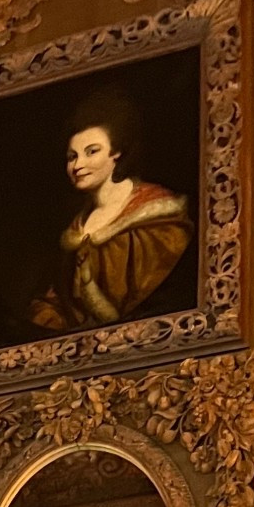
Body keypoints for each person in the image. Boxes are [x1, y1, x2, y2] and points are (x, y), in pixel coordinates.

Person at [31, 92, 193, 336]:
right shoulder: (76, 228)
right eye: (72, 157)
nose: (77, 165)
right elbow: (59, 301)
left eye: (92, 151)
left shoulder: (158, 216)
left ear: (116, 152)